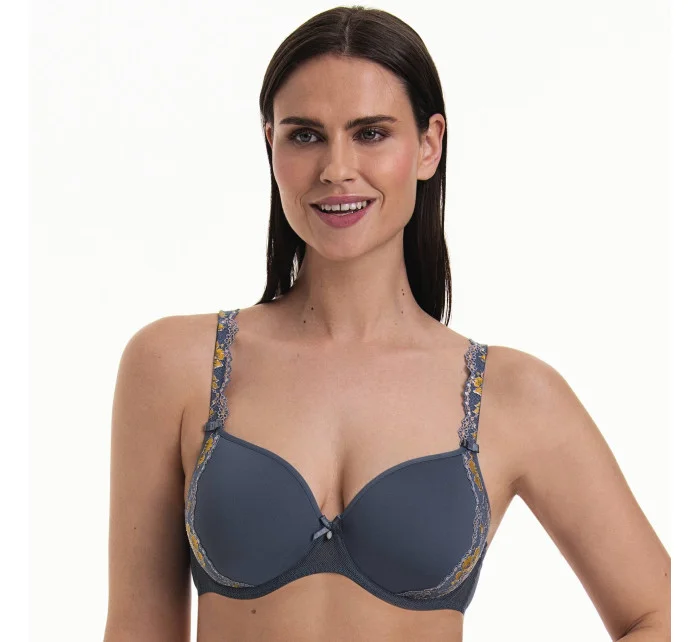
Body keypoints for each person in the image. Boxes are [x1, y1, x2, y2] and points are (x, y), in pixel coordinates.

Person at [103, 6, 670, 642]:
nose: (336, 169)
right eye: (305, 135)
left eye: (371, 133)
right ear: (270, 145)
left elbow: (658, 613)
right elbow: (136, 630)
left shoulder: (513, 396)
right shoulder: (173, 365)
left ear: (428, 145)